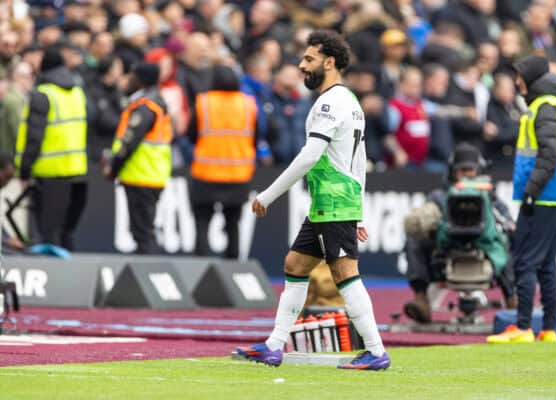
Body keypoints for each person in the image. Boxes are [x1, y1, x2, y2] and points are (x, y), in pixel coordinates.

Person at [235, 30, 390, 370]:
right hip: (333, 202)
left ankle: (376, 352)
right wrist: (359, 212)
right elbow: (358, 160)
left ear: (329, 61)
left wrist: (268, 194)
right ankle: (274, 346)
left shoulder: (330, 102)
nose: (301, 65)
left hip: (332, 201)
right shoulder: (349, 100)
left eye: (309, 59)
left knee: (345, 274)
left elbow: (309, 156)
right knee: (295, 265)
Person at [487, 55, 556, 344]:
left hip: (543, 195)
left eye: (519, 76)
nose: (515, 82)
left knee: (525, 260)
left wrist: (531, 191)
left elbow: (549, 154)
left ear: (530, 78)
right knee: (546, 263)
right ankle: (548, 329)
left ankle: (523, 326)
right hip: (554, 194)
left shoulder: (544, 107)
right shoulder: (551, 104)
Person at [403, 142, 516, 323]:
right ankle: (421, 300)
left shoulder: (490, 197)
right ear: (452, 172)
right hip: (446, 252)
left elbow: (510, 224)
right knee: (414, 240)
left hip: (486, 252)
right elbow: (418, 223)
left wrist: (502, 225)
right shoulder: (438, 198)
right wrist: (428, 224)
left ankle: (512, 300)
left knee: (509, 240)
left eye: (470, 170)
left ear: (478, 171)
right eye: (461, 171)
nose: (466, 175)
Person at [15, 48, 88, 250]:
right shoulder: (77, 92)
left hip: (49, 171)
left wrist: (25, 170)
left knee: (48, 232)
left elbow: (34, 138)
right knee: (66, 231)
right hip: (76, 170)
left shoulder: (43, 95)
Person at [188, 65, 258, 259]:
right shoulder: (248, 104)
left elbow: (191, 134)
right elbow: (257, 135)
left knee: (202, 221)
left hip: (206, 173)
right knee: (233, 223)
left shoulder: (204, 103)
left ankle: (201, 263)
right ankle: (232, 265)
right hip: (238, 174)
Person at [104, 62, 173, 254]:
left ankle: (149, 273)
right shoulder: (155, 102)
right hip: (150, 174)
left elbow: (130, 141)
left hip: (142, 174)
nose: (128, 79)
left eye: (132, 75)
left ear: (140, 79)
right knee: (143, 230)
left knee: (143, 232)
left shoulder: (146, 106)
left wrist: (114, 166)